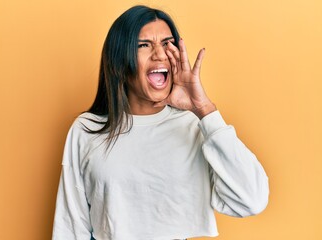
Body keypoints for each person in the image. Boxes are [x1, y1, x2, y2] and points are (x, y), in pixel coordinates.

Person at [52, 5, 269, 240]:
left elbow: (252, 200)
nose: (160, 54)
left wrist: (204, 109)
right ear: (119, 61)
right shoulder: (87, 130)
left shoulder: (195, 126)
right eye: (143, 45)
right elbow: (70, 227)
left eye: (167, 43)